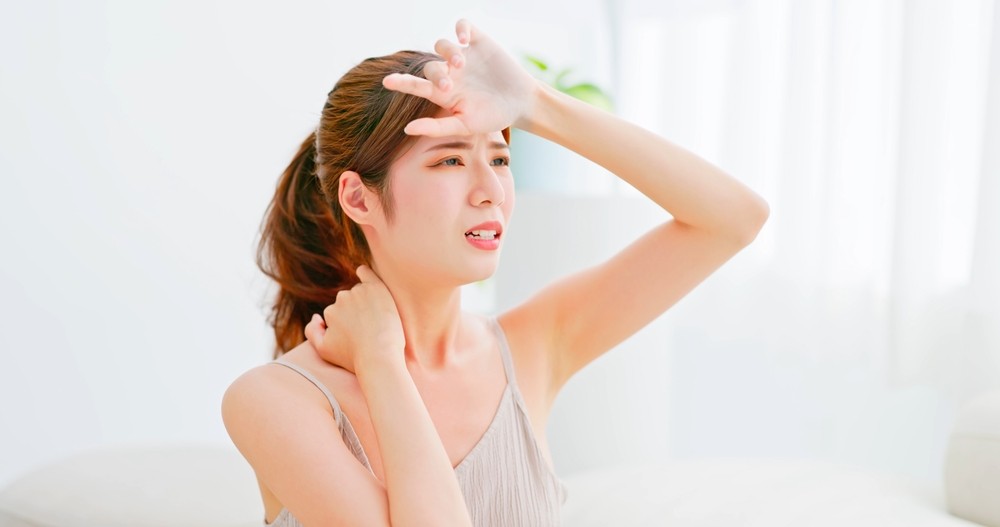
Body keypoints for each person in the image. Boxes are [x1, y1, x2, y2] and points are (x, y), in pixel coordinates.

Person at [221, 18, 769, 527]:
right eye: (450, 160)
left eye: (500, 159)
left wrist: (535, 103)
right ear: (358, 198)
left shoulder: (533, 345)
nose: (490, 191)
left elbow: (734, 219)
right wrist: (381, 362)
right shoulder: (275, 400)